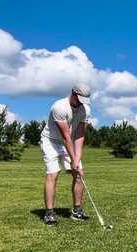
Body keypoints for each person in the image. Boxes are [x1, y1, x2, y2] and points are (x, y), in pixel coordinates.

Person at [39, 84, 91, 226]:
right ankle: (49, 213)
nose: (81, 103)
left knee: (79, 174)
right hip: (51, 141)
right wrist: (73, 159)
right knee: (53, 174)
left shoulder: (85, 110)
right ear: (73, 93)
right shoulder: (59, 107)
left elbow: (79, 136)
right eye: (79, 99)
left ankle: (77, 211)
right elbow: (65, 136)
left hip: (70, 141)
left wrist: (77, 160)